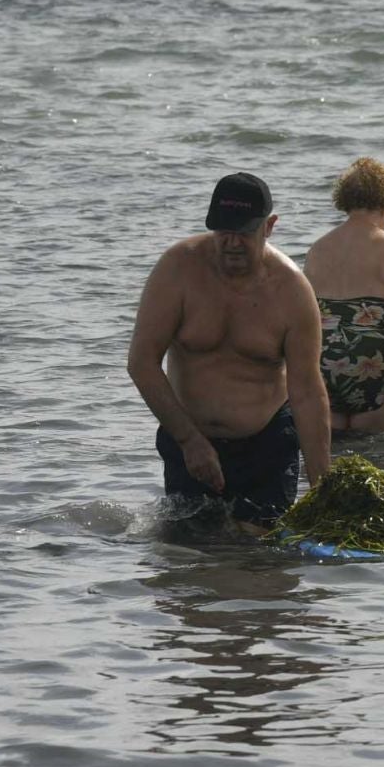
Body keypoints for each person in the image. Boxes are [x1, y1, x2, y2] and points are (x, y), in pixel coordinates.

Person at [128, 171, 331, 529]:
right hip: (187, 438)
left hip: (266, 443)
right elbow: (141, 362)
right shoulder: (178, 270)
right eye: (224, 232)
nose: (233, 243)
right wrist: (189, 439)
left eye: (244, 232)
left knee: (262, 563)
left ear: (269, 226)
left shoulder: (292, 292)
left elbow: (308, 393)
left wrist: (324, 493)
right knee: (188, 565)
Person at [302, 157, 384, 436]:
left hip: (326, 372)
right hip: (378, 372)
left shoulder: (318, 251)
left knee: (332, 466)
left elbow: (305, 323)